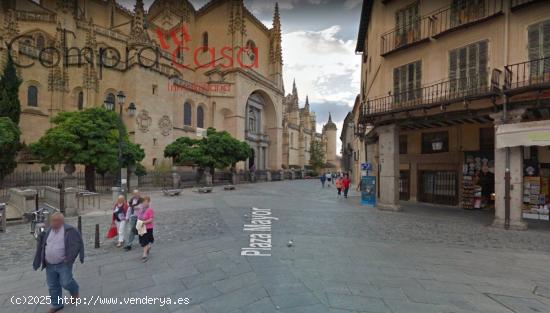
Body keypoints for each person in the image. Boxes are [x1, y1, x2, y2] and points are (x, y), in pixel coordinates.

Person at [33, 212, 84, 313]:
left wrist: (69, 259)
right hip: (49, 264)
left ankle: (75, 290)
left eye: (56, 221)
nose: (54, 223)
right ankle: (57, 305)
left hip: (63, 263)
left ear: (62, 221)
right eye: (52, 221)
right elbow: (42, 245)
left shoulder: (69, 230)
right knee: (53, 285)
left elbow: (77, 244)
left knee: (66, 282)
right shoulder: (48, 231)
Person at [138, 196, 155, 262]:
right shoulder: (141, 209)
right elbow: (139, 217)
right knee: (143, 241)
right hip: (141, 227)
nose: (144, 203)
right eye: (143, 202)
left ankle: (144, 254)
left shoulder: (150, 209)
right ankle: (148, 247)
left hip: (148, 228)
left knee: (145, 241)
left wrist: (144, 222)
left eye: (146, 202)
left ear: (149, 202)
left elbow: (151, 219)